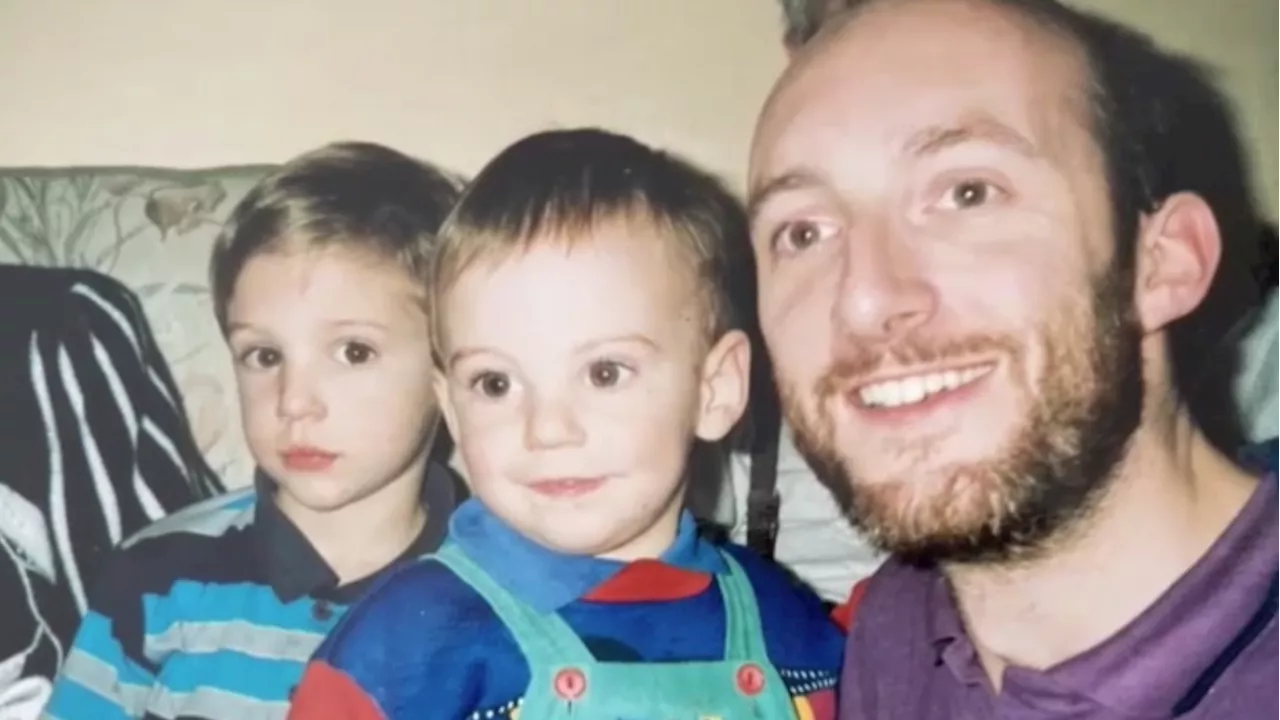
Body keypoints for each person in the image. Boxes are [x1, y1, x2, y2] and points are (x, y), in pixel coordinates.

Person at [746, 0, 1279, 717]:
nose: (864, 300)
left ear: (1162, 265)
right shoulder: (903, 626)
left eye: (969, 193)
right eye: (803, 233)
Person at [287, 128, 844, 720]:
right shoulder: (406, 646)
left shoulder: (787, 621)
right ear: (451, 409)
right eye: (495, 384)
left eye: (604, 373)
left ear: (715, 390)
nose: (547, 430)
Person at [42, 141, 464, 719]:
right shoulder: (158, 576)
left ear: (449, 368)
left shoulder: (505, 590)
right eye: (264, 356)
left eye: (354, 351)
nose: (294, 402)